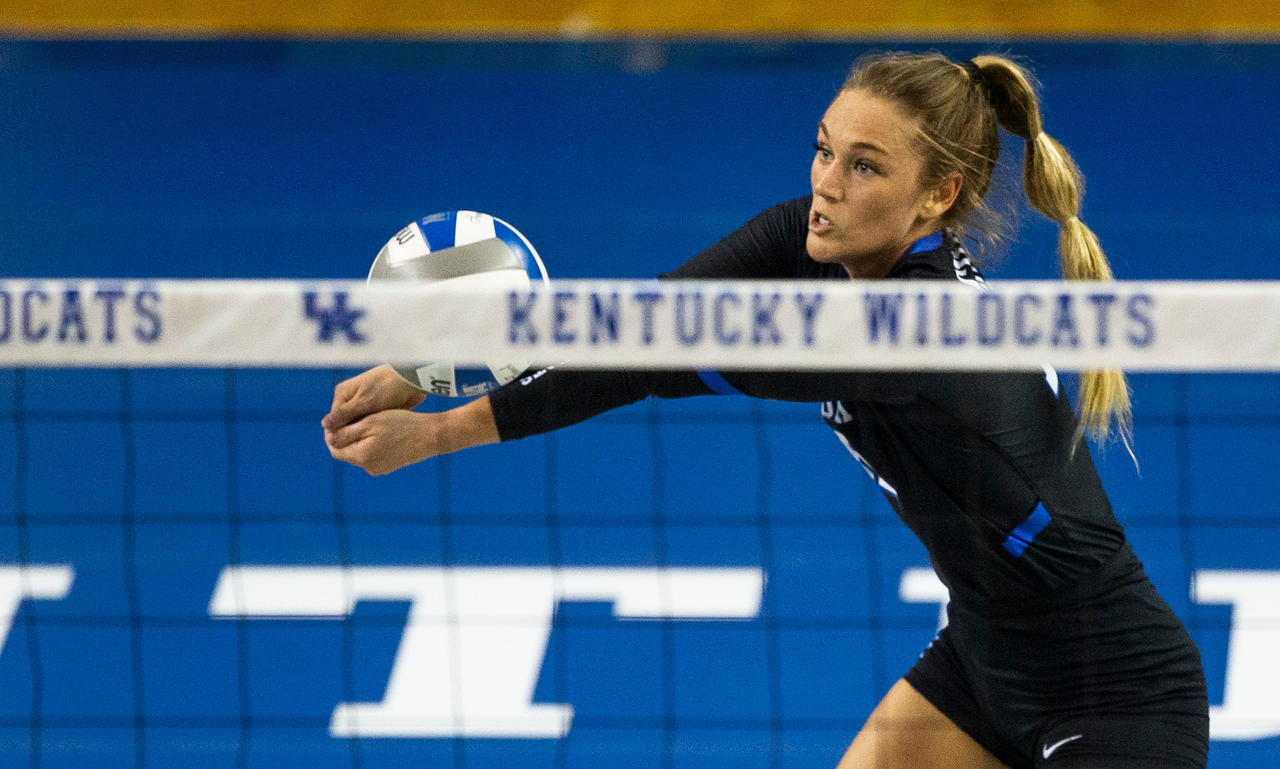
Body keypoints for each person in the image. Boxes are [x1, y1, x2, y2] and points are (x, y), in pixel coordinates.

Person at [322, 52, 1209, 769]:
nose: (827, 184)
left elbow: (657, 364)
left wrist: (441, 432)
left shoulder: (920, 334)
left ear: (937, 196)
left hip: (1116, 693)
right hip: (983, 657)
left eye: (865, 167)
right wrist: (429, 356)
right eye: (825, 149)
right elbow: (648, 321)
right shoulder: (813, 236)